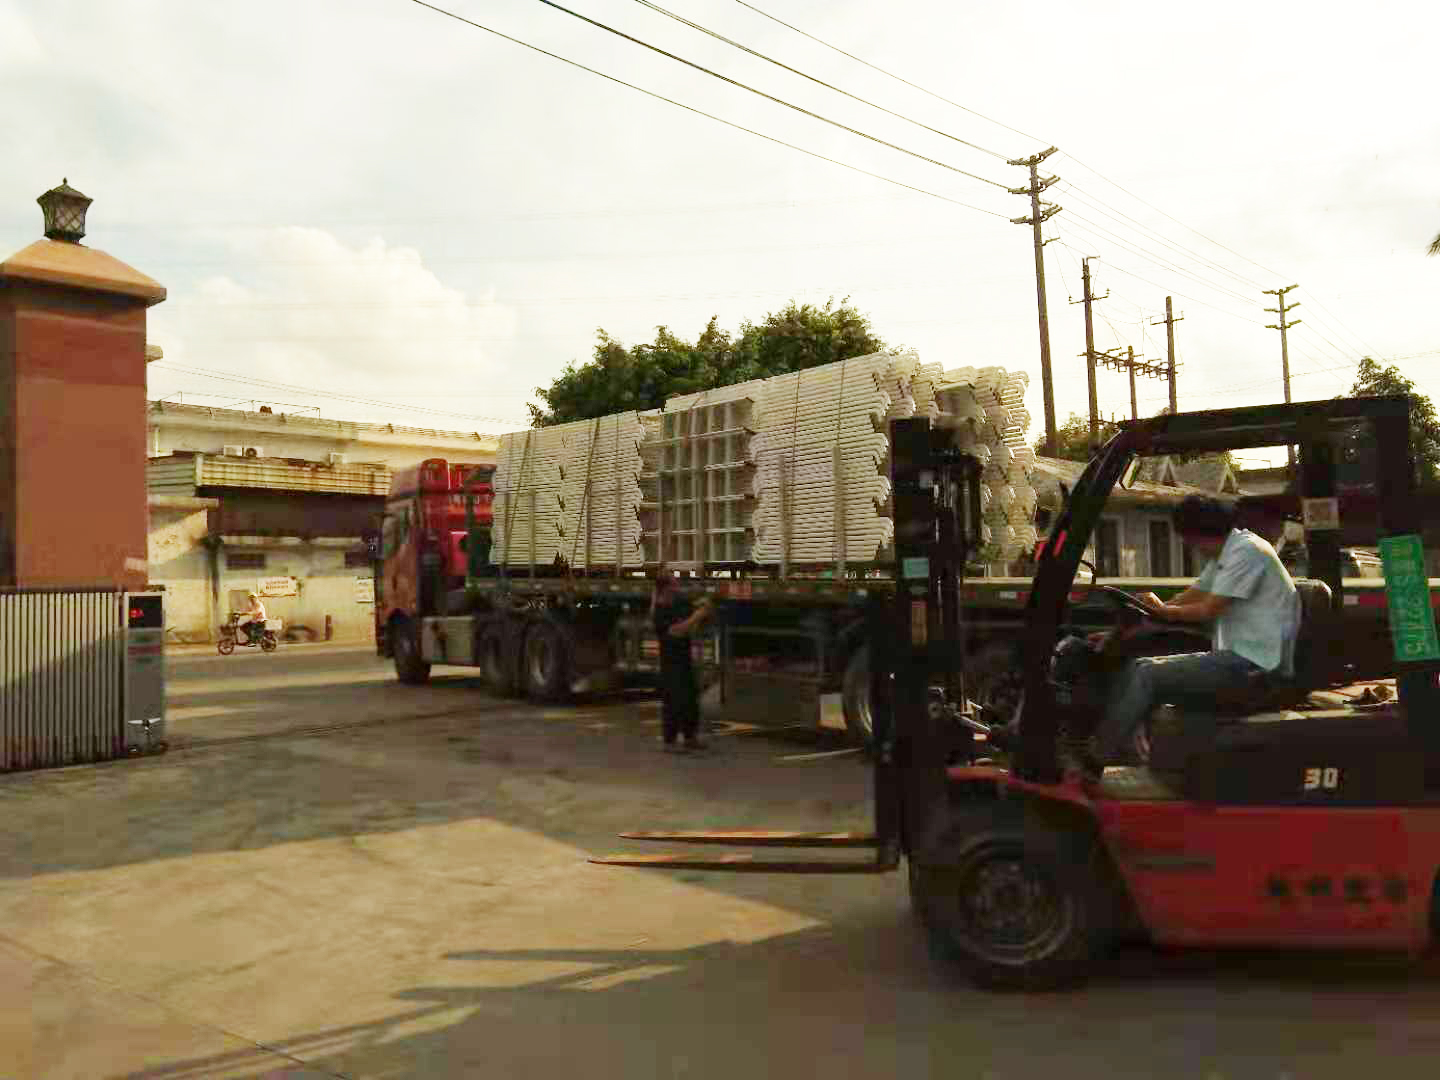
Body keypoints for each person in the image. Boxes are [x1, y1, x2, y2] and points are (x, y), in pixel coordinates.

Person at [1090, 495, 1300, 768]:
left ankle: (1094, 760)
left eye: (1185, 537)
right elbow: (1189, 597)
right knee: (1139, 666)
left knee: (1145, 673)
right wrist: (1133, 624)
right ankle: (1135, 755)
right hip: (1239, 659)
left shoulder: (1247, 552)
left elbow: (1207, 609)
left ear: (1195, 534)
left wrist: (1162, 612)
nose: (1187, 544)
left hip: (1255, 667)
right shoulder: (1229, 551)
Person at [651, 565, 714, 753]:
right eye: (673, 583)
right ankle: (669, 741)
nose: (677, 586)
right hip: (670, 662)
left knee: (690, 696)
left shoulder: (679, 603)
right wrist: (698, 616)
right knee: (673, 700)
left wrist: (704, 608)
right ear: (665, 588)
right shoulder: (660, 611)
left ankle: (690, 737)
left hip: (684, 658)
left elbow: (693, 622)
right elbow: (677, 630)